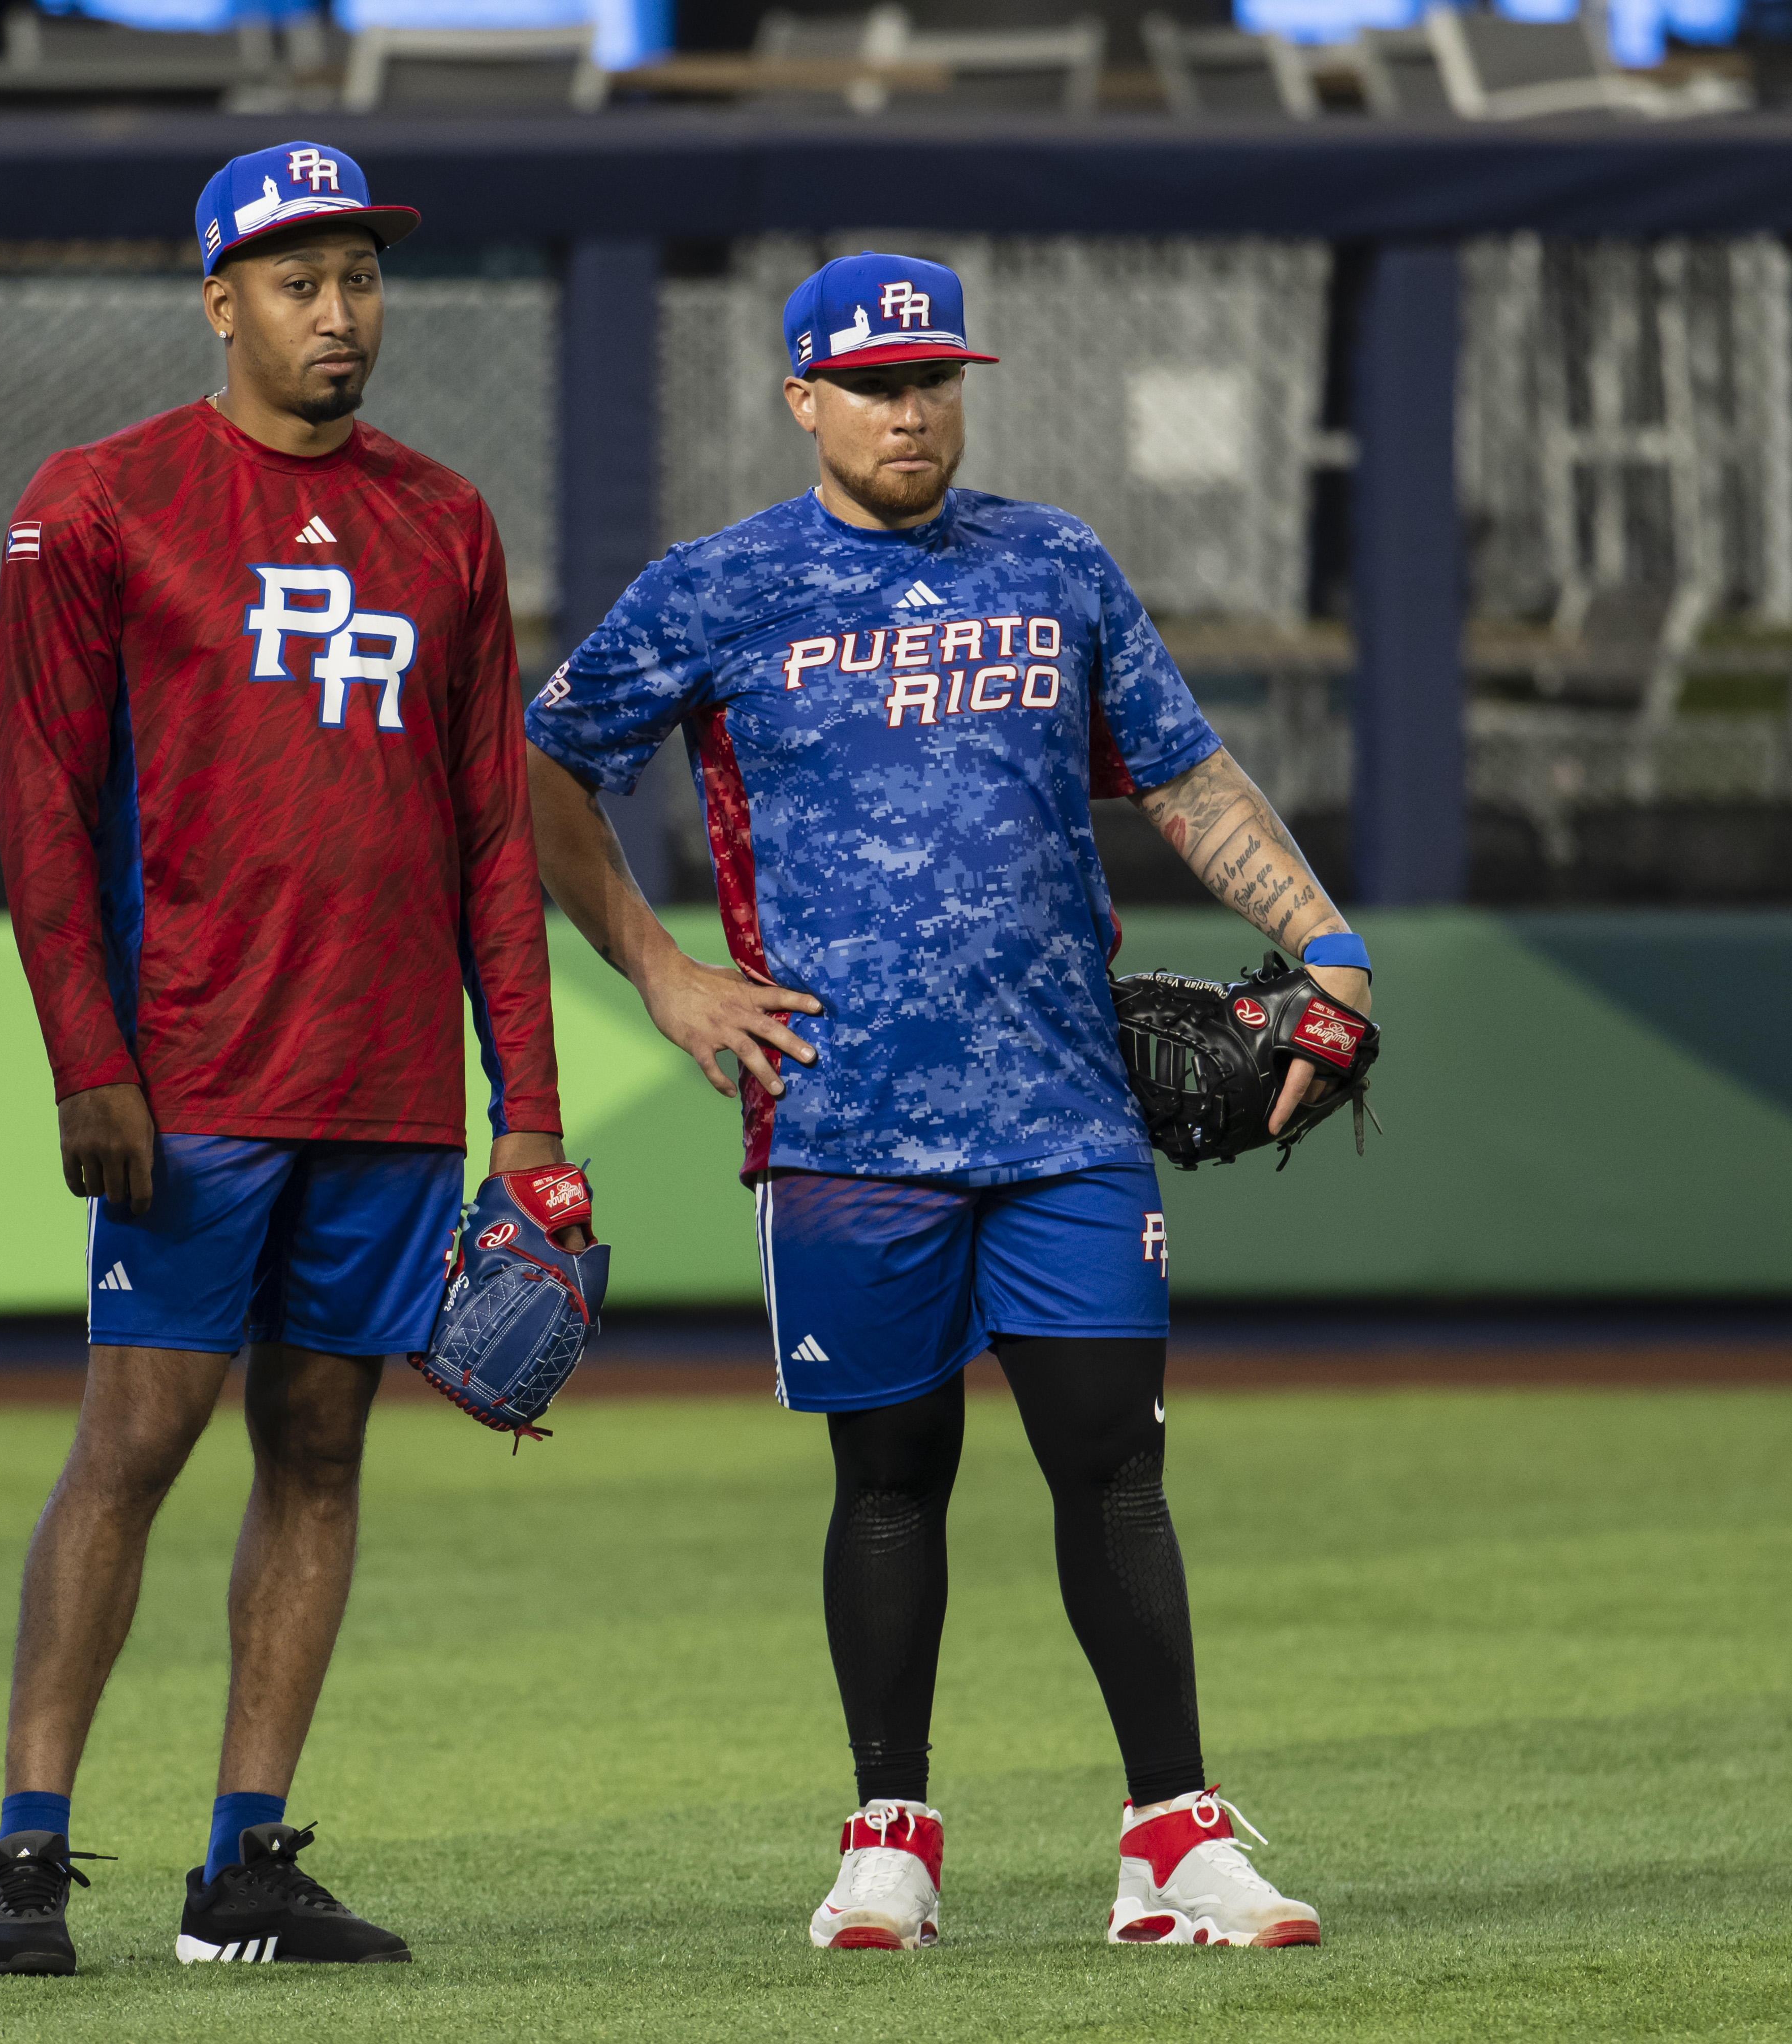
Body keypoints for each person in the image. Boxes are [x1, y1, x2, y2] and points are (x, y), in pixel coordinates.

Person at [526, 252, 1358, 1953]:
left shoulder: (1053, 561)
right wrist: (657, 974)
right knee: (888, 1478)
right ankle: (889, 1833)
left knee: (1111, 1467)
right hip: (841, 1123)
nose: (911, 408)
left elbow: (1185, 775)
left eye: (935, 379)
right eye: (876, 381)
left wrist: (1322, 940)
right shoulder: (719, 585)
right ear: (803, 401)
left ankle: (1171, 1839)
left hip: (1061, 1109)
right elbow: (543, 763)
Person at [0, 140, 575, 1975]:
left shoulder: (446, 520)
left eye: (362, 280)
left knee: (320, 1453)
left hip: (386, 1088)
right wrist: (88, 1054)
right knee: (135, 1438)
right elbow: (44, 810)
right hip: (194, 1080)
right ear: (218, 298)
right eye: (301, 283)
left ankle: (243, 1862)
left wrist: (528, 1117)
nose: (340, 314)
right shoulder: (98, 502)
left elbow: (491, 836)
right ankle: (24, 1852)